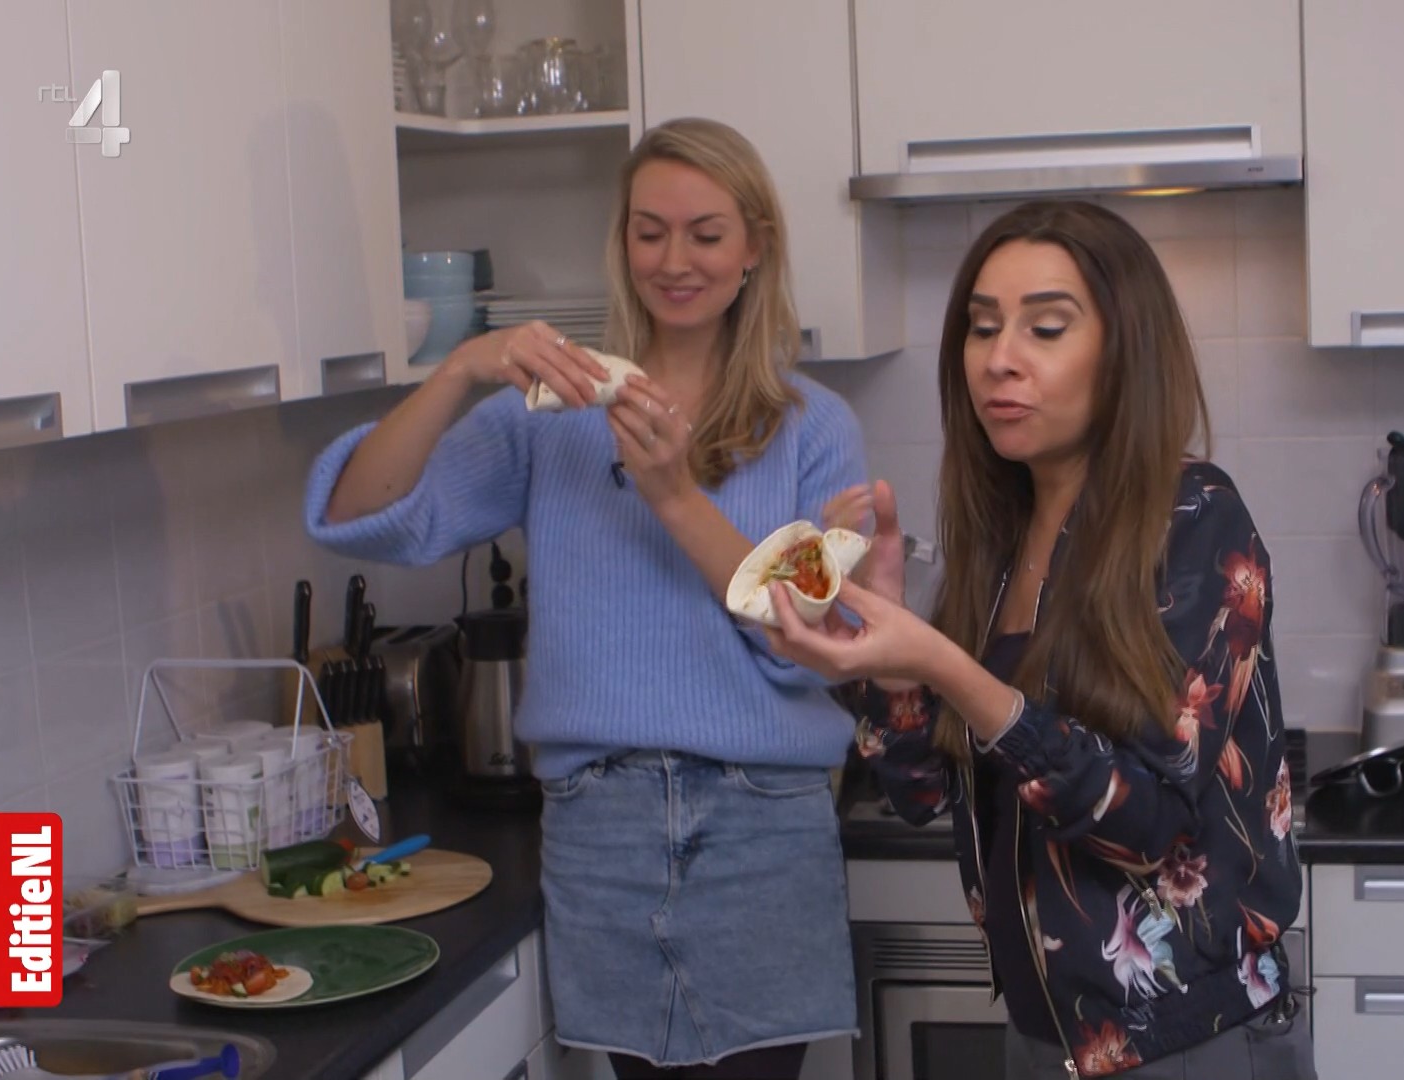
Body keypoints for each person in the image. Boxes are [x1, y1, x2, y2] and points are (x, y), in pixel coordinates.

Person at [303, 117, 865, 1080]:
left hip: (764, 823)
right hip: (600, 826)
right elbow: (362, 516)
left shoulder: (814, 428)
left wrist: (674, 495)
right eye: (650, 232)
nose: (674, 261)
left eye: (705, 234)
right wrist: (461, 369)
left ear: (754, 248)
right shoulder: (547, 421)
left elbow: (801, 635)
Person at [769, 200, 1315, 1079]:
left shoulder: (1195, 516)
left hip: (1188, 1041)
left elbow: (1146, 827)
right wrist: (885, 662)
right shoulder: (1000, 539)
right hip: (1045, 1038)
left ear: (1125, 350)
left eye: (1046, 328)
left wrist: (945, 665)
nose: (999, 358)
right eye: (982, 328)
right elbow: (921, 791)